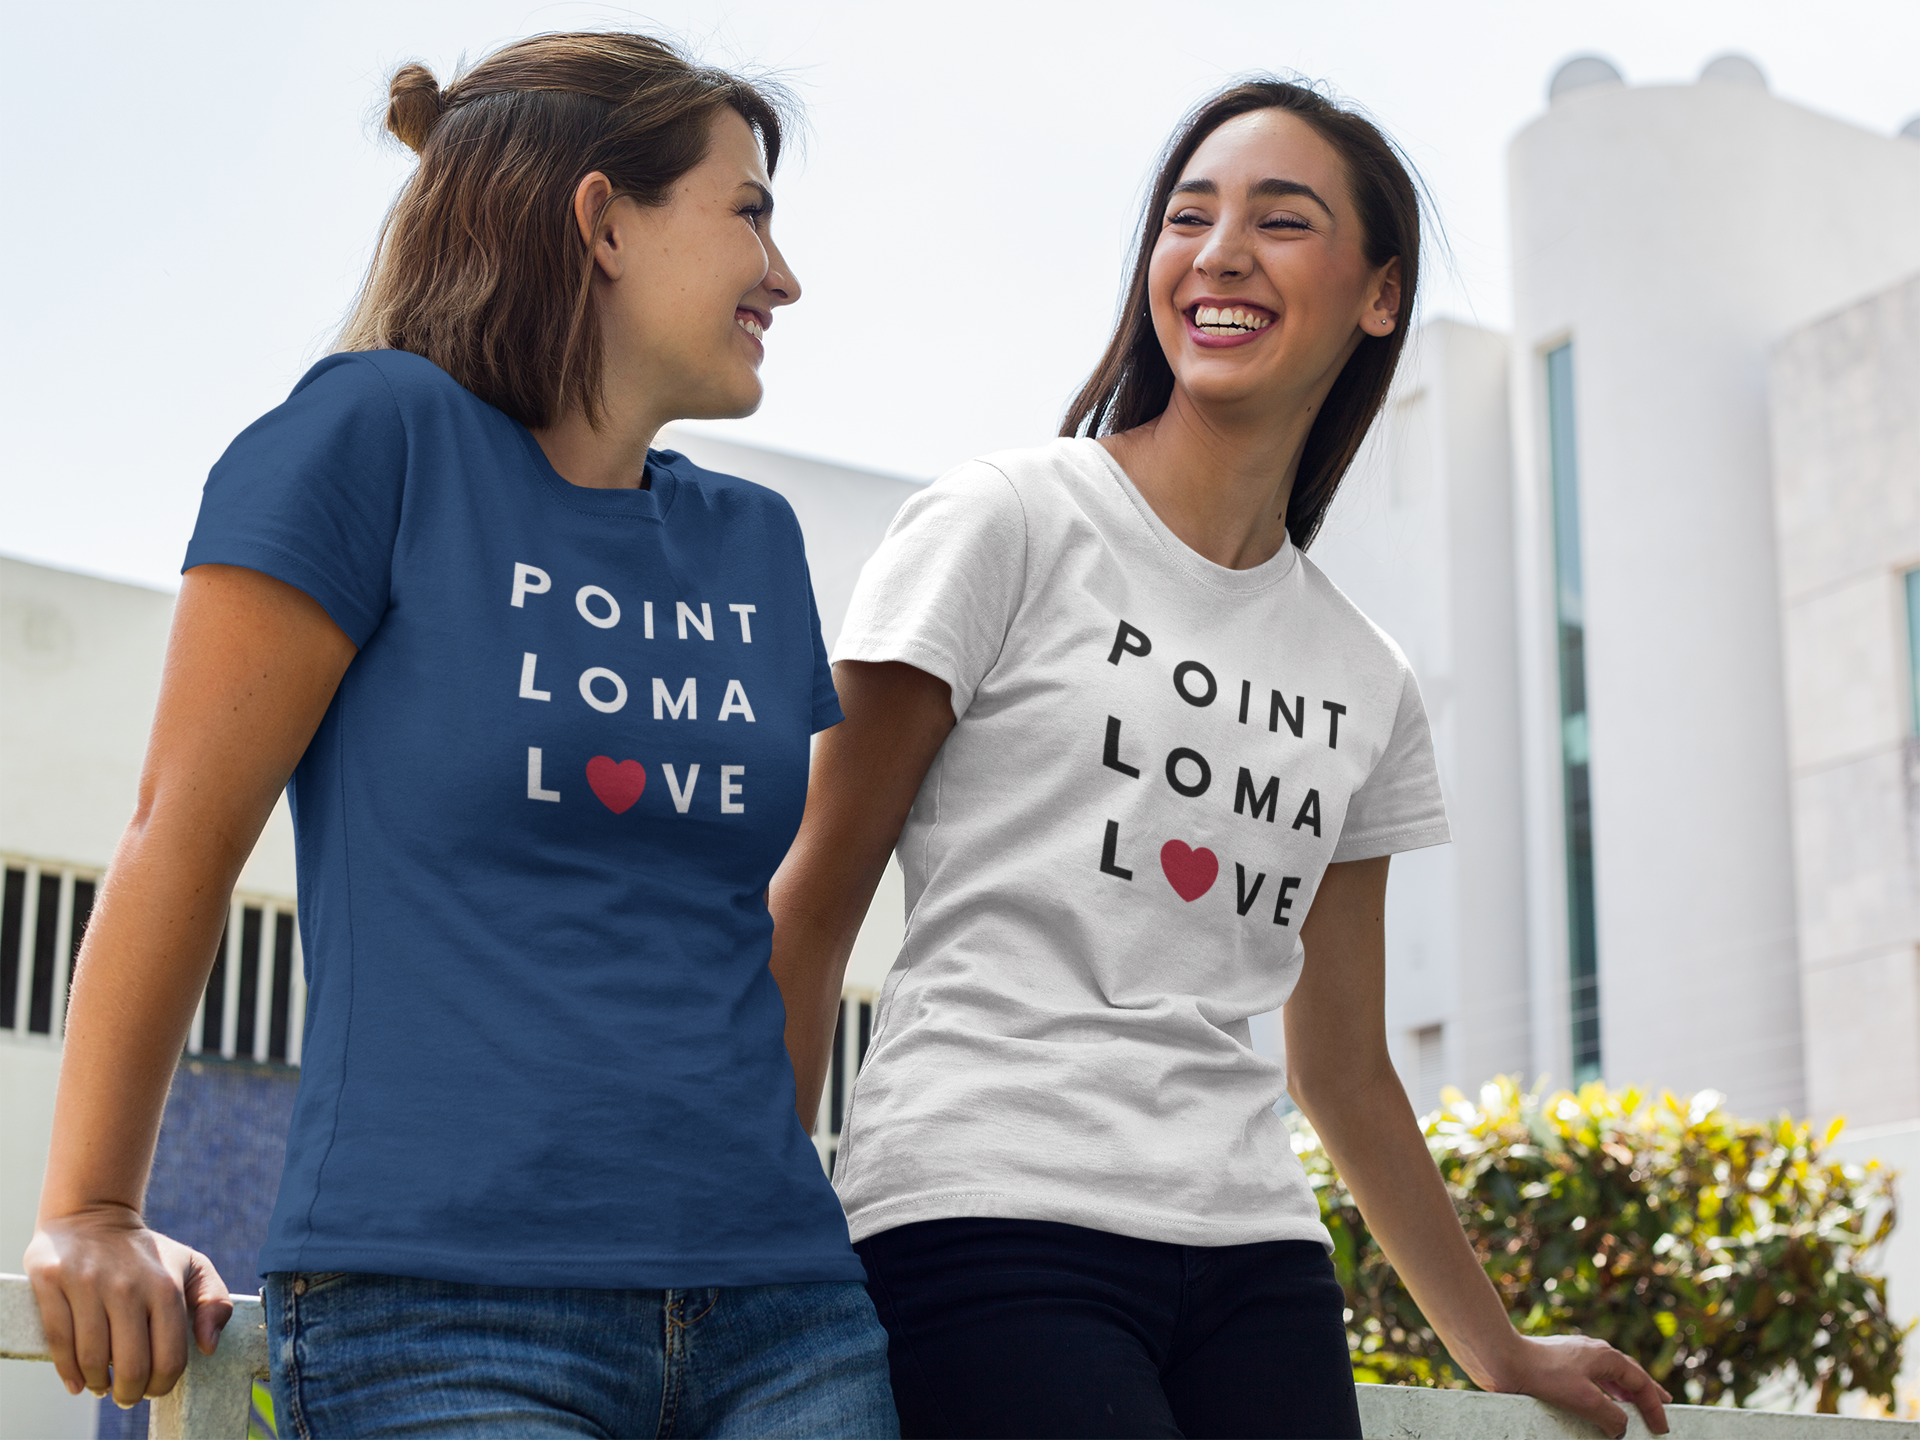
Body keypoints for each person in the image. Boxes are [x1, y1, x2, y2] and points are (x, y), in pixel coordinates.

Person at [768, 79, 1670, 1440]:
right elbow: (815, 899)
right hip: (985, 1209)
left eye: (1281, 219)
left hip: (1256, 1254)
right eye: (1187, 217)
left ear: (1379, 296)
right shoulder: (1005, 521)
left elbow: (1344, 1064)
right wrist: (747, 1249)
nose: (1219, 252)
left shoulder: (1363, 674)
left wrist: (1498, 1347)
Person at [26, 32, 897, 1439]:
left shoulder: (756, 540)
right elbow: (177, 835)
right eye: (750, 213)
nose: (783, 276)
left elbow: (752, 929)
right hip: (444, 1307)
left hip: (784, 1310)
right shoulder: (372, 437)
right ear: (602, 220)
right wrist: (90, 1206)